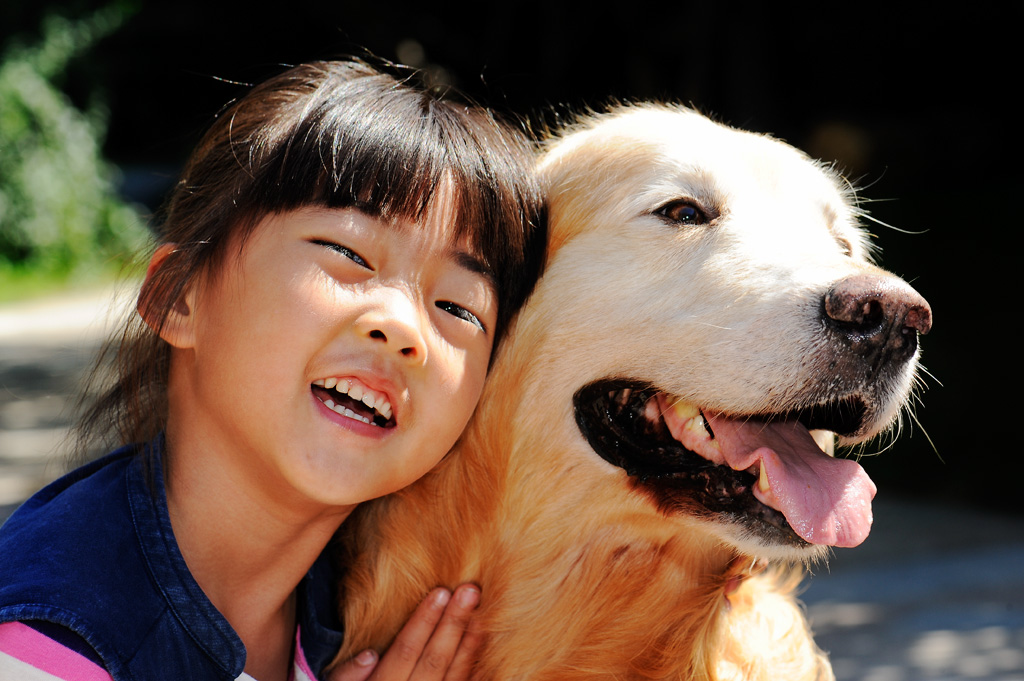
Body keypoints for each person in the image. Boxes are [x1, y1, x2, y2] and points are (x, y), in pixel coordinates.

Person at [0, 59, 546, 681]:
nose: (402, 326)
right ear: (179, 299)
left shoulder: (369, 606)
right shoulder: (53, 638)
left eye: (458, 308)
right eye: (347, 252)